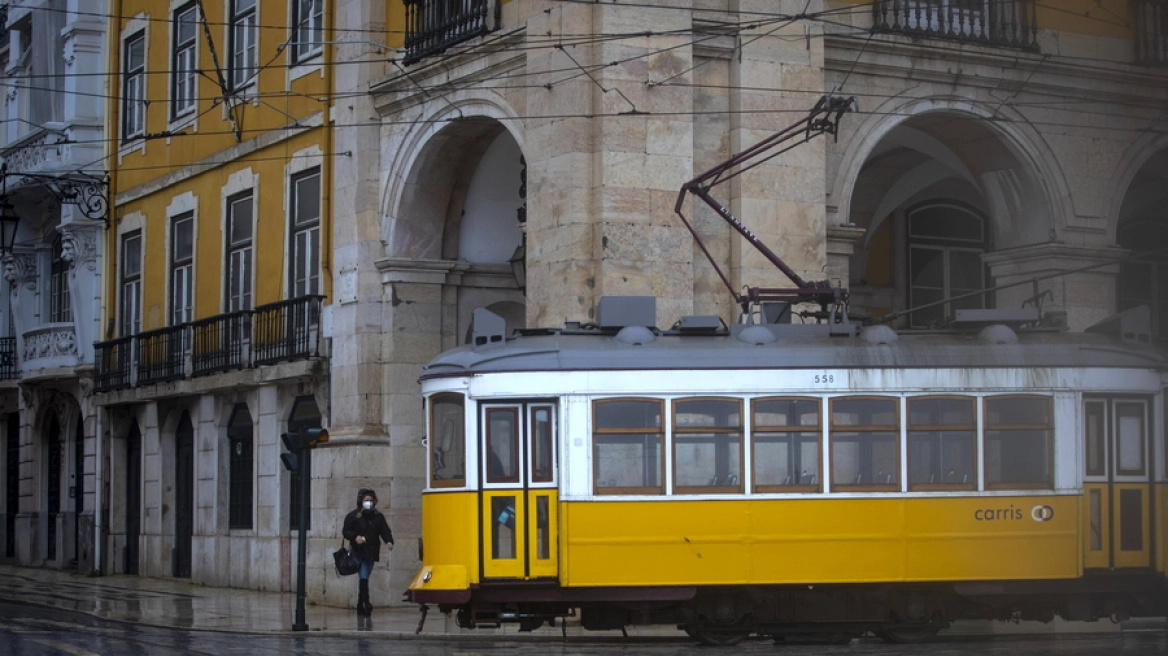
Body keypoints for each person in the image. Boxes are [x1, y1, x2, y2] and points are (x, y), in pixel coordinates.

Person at [342, 488, 394, 616]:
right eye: (366, 500)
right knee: (364, 576)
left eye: (371, 500)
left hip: (372, 550)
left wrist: (389, 541)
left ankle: (361, 603)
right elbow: (346, 531)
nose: (369, 502)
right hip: (359, 551)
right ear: (361, 501)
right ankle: (365, 602)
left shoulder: (378, 516)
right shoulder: (354, 516)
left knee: (365, 575)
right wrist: (355, 537)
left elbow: (384, 530)